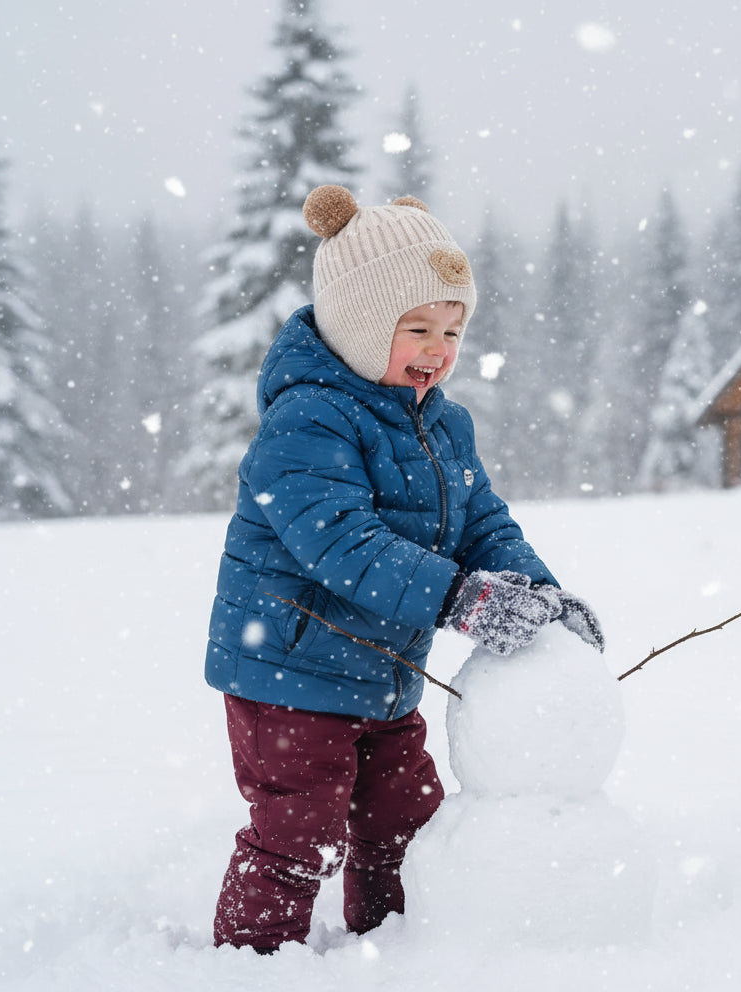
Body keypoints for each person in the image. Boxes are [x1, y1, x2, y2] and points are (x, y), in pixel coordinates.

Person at [205, 184, 604, 952]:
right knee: (298, 836)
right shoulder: (308, 417)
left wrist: (542, 595)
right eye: (416, 327)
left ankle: (399, 951)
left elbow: (481, 521)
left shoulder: (443, 425)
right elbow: (339, 541)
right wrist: (459, 597)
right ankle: (250, 963)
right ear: (357, 327)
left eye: (453, 329)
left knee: (406, 825)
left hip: (383, 676)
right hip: (286, 673)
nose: (437, 348)